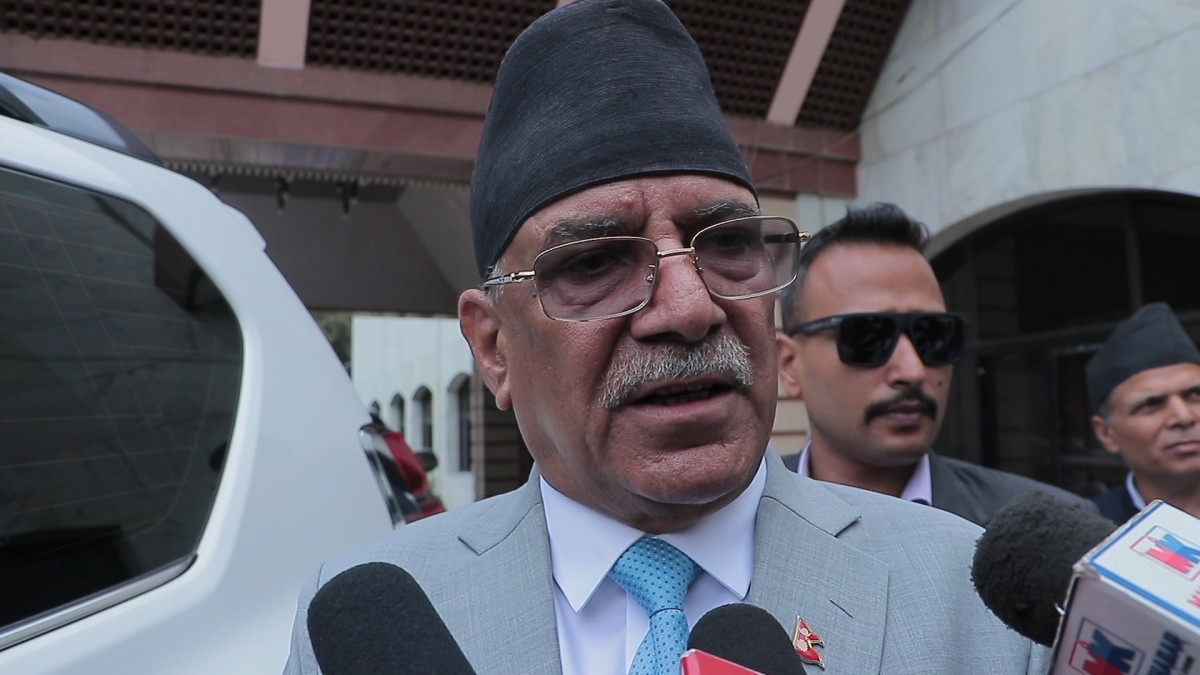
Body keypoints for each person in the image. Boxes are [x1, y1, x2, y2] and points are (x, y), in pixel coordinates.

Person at [284, 2, 1048, 673]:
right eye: (595, 262)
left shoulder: (975, 600)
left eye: (728, 243)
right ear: (492, 347)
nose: (689, 307)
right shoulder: (368, 629)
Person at [776, 203, 1091, 526]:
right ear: (789, 364)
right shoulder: (746, 517)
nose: (912, 371)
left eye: (933, 335)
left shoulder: (1053, 529)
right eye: (867, 337)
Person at [1087, 302, 1200, 523]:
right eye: (1151, 404)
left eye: (1195, 395)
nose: (1183, 417)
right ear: (1106, 433)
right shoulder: (1094, 531)